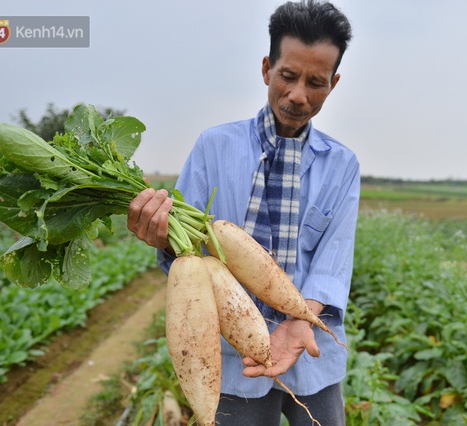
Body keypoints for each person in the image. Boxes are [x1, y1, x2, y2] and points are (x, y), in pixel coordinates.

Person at [127, 1, 359, 424]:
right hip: (232, 357)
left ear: (334, 83)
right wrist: (160, 233)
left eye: (316, 82)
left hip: (309, 348)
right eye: (288, 76)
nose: (298, 95)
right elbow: (185, 255)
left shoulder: (342, 165)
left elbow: (334, 258)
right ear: (267, 68)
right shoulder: (213, 147)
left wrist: (302, 315)